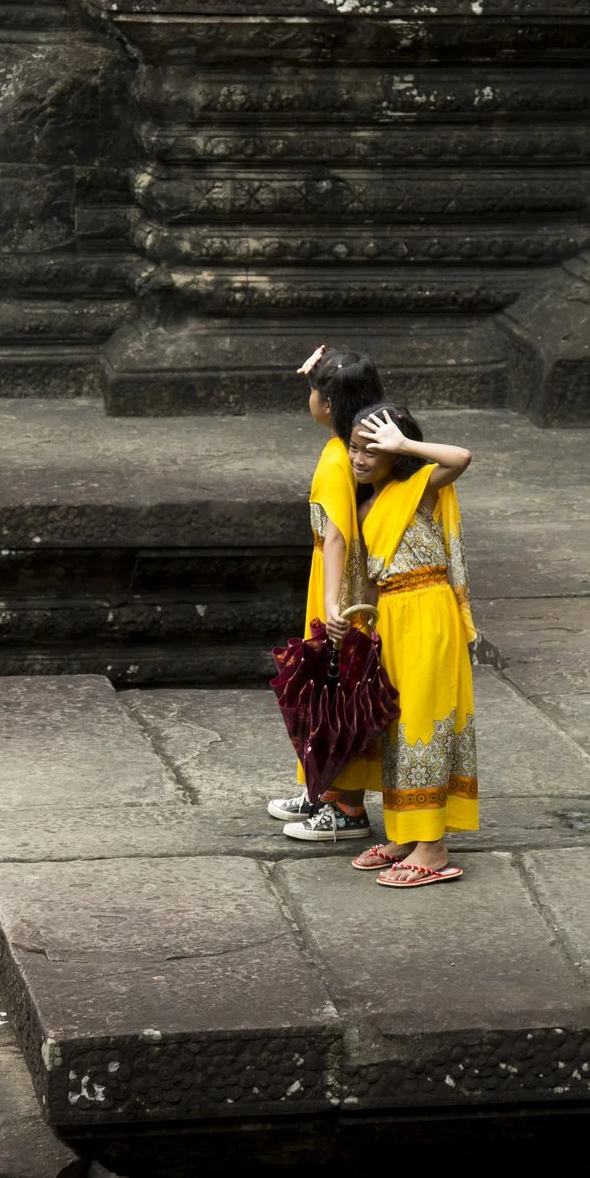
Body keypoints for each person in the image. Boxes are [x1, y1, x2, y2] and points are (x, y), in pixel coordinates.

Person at [326, 402, 478, 889]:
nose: (360, 458)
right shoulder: (367, 504)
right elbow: (370, 580)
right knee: (393, 726)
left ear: (395, 450)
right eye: (355, 448)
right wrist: (350, 623)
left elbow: (461, 457)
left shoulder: (421, 486)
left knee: (423, 722)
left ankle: (433, 846)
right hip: (389, 617)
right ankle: (404, 834)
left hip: (429, 612)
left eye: (373, 450)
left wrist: (406, 445)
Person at [268, 345, 386, 842]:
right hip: (335, 575)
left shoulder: (338, 459)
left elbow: (336, 533)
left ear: (330, 404)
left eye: (315, 392)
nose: (309, 399)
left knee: (338, 687)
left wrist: (333, 605)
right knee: (324, 688)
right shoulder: (347, 450)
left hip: (337, 580)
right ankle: (321, 787)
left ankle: (347, 809)